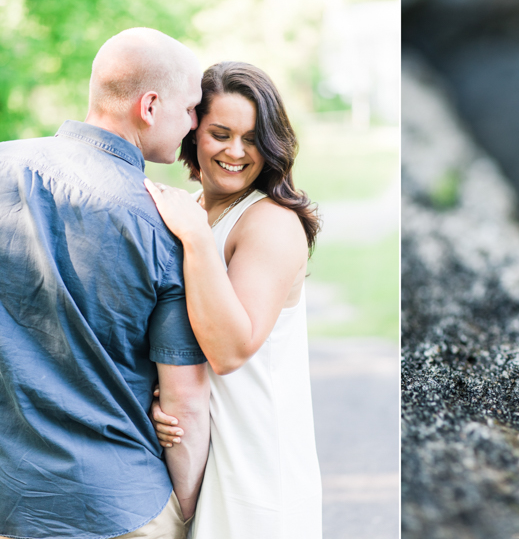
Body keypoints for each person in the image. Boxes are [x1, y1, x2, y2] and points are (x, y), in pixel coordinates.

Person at [0, 28, 210, 539]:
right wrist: (179, 510)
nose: (195, 124)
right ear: (151, 105)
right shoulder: (166, 223)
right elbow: (185, 404)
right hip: (120, 507)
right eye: (189, 109)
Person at [145, 61, 322, 538]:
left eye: (252, 139)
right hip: (202, 456)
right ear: (193, 130)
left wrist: (196, 238)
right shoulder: (195, 210)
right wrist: (162, 405)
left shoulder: (270, 222)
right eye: (221, 133)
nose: (236, 152)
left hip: (258, 470)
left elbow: (230, 350)